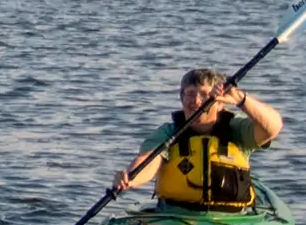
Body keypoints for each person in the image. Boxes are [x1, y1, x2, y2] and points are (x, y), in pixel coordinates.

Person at [115, 67, 285, 209]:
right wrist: (130, 179)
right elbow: (148, 161)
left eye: (204, 94)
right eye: (190, 94)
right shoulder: (168, 133)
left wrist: (241, 99)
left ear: (220, 103)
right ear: (182, 99)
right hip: (176, 214)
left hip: (231, 217)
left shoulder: (236, 130)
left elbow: (272, 127)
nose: (196, 101)